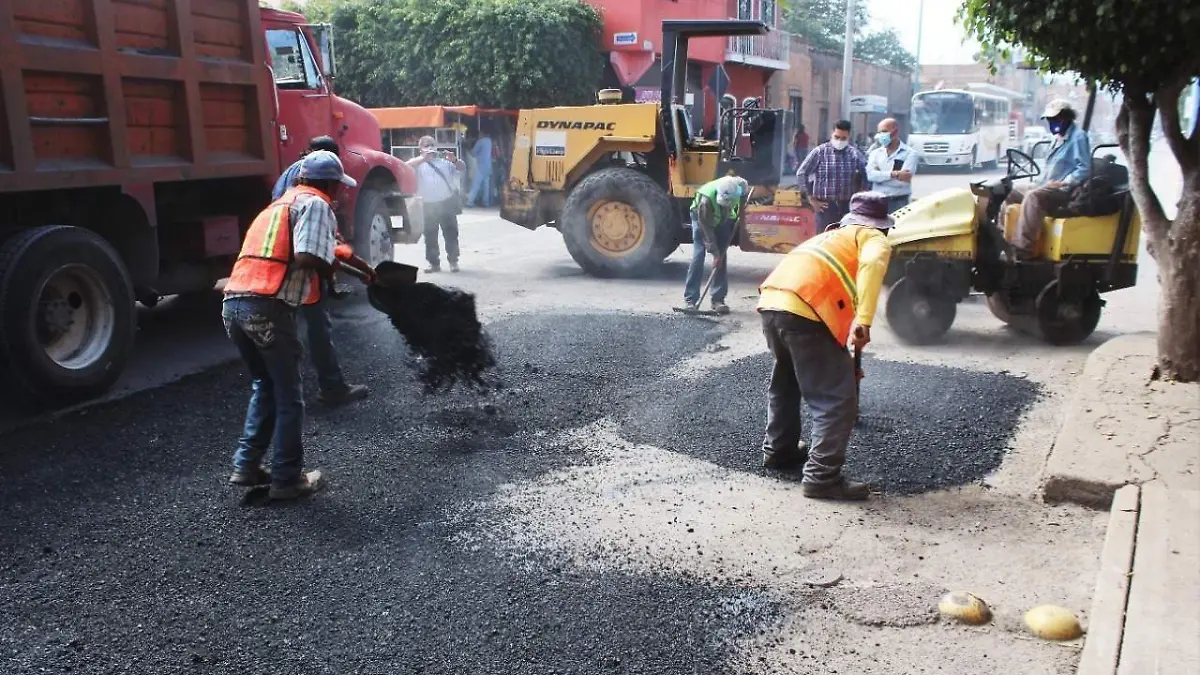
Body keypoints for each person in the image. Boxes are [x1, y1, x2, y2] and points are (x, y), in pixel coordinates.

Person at [222, 151, 374, 500]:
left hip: (234, 305)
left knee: (265, 384)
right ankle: (287, 478)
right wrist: (326, 272)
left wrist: (367, 273)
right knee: (290, 393)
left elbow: (329, 251)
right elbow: (309, 256)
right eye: (338, 186)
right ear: (331, 184)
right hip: (267, 308)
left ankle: (246, 465)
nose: (340, 192)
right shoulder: (317, 205)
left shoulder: (279, 205)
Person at [756, 191, 894, 501]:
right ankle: (821, 477)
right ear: (882, 226)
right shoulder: (874, 239)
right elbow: (872, 264)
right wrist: (865, 320)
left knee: (787, 381)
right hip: (807, 310)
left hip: (772, 302)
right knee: (836, 399)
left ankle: (780, 449)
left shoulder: (831, 237)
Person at [272, 136, 370, 406]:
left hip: (280, 263)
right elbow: (313, 250)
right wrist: (351, 267)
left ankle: (287, 390)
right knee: (316, 323)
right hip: (297, 260)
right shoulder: (314, 199)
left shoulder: (291, 176)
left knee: (287, 329)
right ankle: (331, 386)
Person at [1005, 99, 1091, 260]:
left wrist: (1065, 181)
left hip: (1064, 190)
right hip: (1046, 184)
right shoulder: (1057, 137)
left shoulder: (1078, 137)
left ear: (1066, 118)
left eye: (1055, 119)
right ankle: (1005, 241)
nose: (1052, 123)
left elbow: (1084, 168)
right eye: (1050, 120)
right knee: (1009, 191)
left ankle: (1023, 249)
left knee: (1033, 197)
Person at [683, 174, 749, 315]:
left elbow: (745, 192)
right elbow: (706, 230)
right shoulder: (705, 201)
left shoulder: (738, 186)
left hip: (723, 219)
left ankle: (718, 299)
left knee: (722, 257)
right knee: (699, 254)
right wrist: (714, 252)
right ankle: (691, 300)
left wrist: (742, 207)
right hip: (702, 220)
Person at [796, 120, 868, 232]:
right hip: (825, 207)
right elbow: (802, 173)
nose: (839, 141)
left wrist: (861, 196)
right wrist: (810, 199)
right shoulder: (820, 152)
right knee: (824, 238)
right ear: (832, 134)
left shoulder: (854, 154)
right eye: (837, 137)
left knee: (845, 239)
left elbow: (866, 175)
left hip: (847, 206)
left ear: (849, 136)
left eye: (843, 138)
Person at [407, 136, 466, 273]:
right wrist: (423, 158)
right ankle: (434, 264)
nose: (430, 148)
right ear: (420, 148)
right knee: (430, 235)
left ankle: (453, 261)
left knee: (451, 233)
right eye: (426, 145)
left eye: (432, 145)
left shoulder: (445, 163)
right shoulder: (418, 164)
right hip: (428, 205)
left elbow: (462, 167)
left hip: (446, 202)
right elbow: (406, 166)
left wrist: (455, 160)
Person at [865, 118, 919, 213]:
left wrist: (879, 178)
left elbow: (903, 182)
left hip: (899, 202)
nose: (881, 135)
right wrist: (894, 174)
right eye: (879, 132)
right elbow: (870, 175)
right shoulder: (875, 153)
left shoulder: (910, 153)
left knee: (898, 227)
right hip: (878, 201)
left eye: (884, 131)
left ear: (895, 131)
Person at [466, 128, 493, 208]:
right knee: (486, 185)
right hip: (488, 166)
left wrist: (468, 149)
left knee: (476, 184)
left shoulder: (480, 141)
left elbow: (473, 153)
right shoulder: (489, 141)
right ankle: (486, 202)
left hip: (481, 166)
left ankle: (470, 202)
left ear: (482, 133)